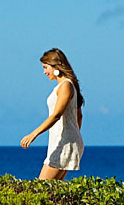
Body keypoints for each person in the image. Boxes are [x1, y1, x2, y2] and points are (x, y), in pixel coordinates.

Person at [20, 47, 85, 180]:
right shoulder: (67, 85)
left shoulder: (66, 86)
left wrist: (33, 134)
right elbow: (79, 116)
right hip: (64, 141)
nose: (44, 72)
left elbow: (56, 115)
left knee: (41, 189)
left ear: (57, 66)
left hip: (64, 142)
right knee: (52, 190)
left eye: (45, 67)